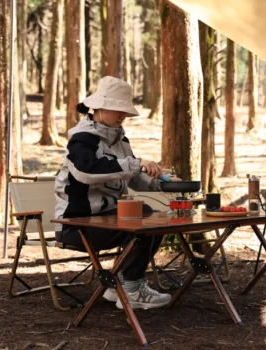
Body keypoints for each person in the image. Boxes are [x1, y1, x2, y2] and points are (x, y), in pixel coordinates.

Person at [54, 76, 180, 309]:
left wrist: (164, 183)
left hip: (108, 219)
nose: (123, 115)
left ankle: (120, 285)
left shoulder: (120, 140)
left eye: (125, 110)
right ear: (99, 108)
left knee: (151, 216)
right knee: (142, 223)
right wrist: (137, 163)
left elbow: (130, 177)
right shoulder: (82, 139)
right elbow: (85, 170)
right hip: (77, 224)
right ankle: (131, 288)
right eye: (117, 109)